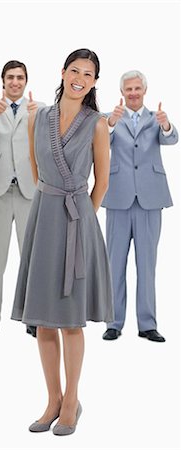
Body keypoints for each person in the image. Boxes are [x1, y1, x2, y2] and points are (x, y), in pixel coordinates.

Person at [11, 49, 113, 435]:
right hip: (44, 213)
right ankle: (51, 398)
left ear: (94, 82)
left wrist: (84, 221)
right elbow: (38, 172)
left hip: (77, 220)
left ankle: (72, 400)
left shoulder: (98, 124)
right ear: (63, 72)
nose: (80, 78)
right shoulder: (39, 117)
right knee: (42, 321)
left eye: (88, 74)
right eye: (75, 70)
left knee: (71, 320)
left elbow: (101, 182)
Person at [102, 71, 178, 343]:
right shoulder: (112, 117)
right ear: (122, 91)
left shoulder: (156, 117)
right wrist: (110, 123)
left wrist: (166, 124)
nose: (133, 93)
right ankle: (114, 322)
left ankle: (147, 324)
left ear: (144, 90)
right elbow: (100, 141)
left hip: (150, 199)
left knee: (148, 264)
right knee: (114, 264)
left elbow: (171, 139)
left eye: (137, 88)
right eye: (128, 89)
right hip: (118, 197)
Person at [0, 60, 44, 337]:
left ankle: (33, 317)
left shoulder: (37, 108)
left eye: (20, 77)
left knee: (31, 257)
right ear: (3, 81)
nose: (15, 82)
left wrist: (40, 118)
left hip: (29, 189)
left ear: (26, 81)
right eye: (11, 77)